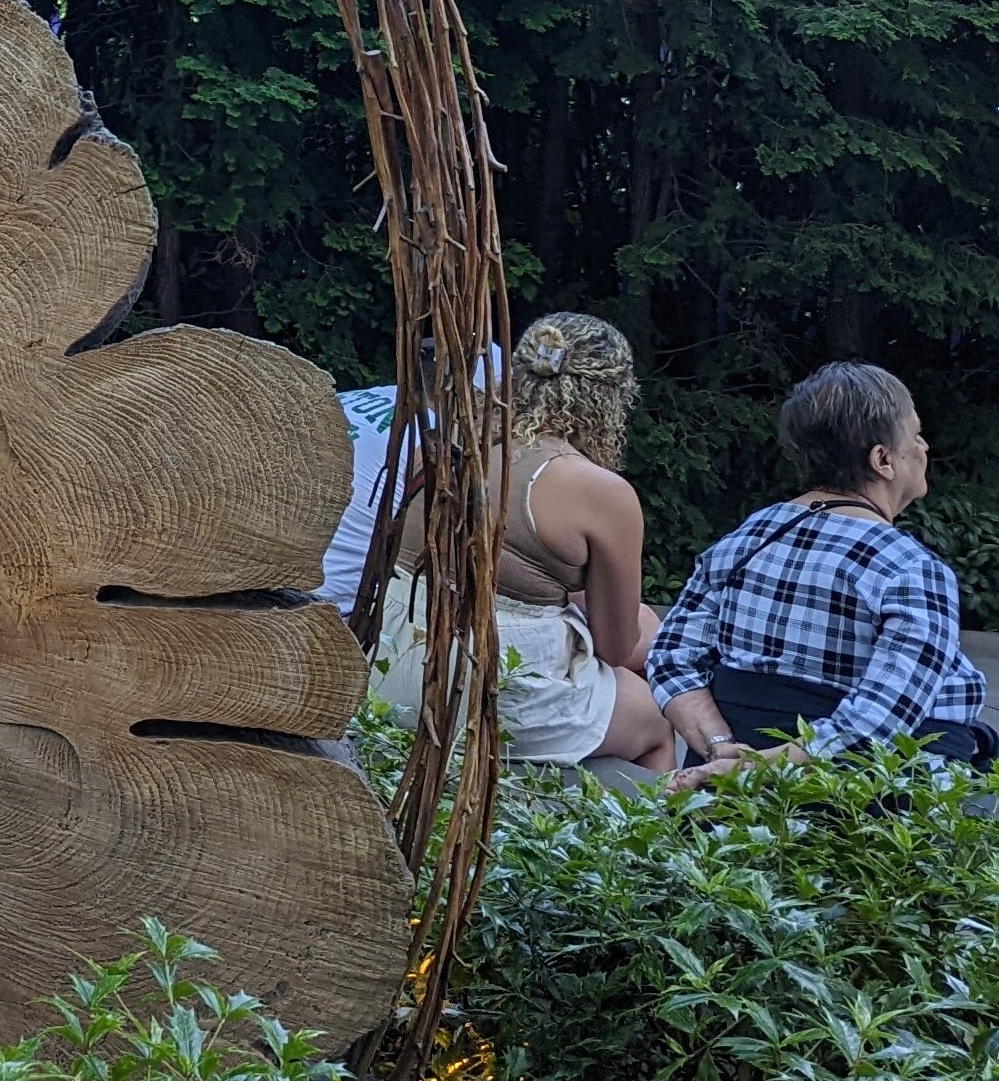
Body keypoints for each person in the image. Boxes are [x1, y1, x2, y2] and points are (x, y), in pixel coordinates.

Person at [652, 361, 992, 775]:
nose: (923, 448)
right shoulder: (910, 568)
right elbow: (880, 722)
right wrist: (753, 769)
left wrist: (721, 750)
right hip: (867, 793)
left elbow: (670, 656)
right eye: (915, 435)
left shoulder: (743, 540)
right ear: (882, 459)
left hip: (729, 785)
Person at [376, 312, 671, 774]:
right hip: (481, 678)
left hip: (391, 656)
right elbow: (616, 648)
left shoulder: (447, 443)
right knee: (656, 720)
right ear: (611, 400)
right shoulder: (600, 491)